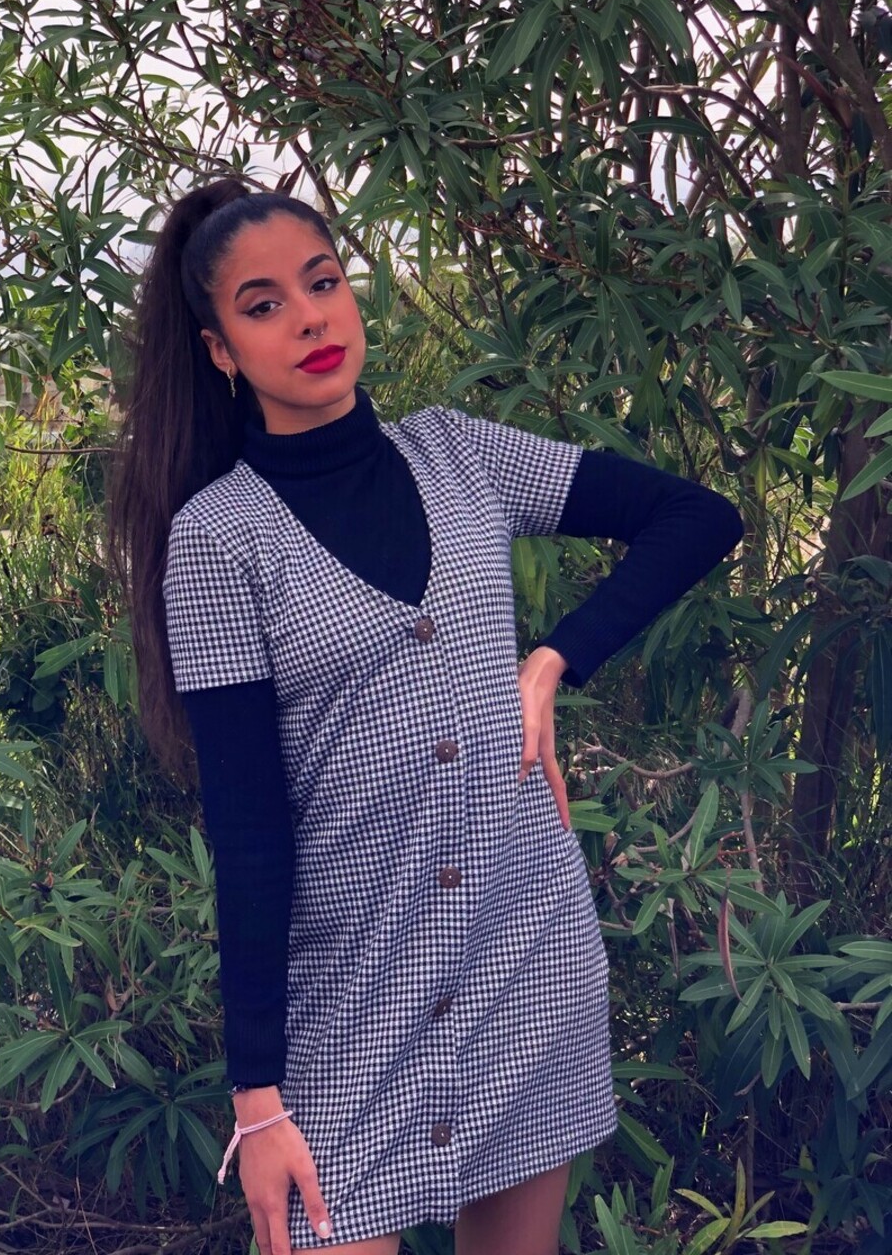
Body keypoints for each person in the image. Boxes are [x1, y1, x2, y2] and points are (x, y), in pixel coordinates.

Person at [107, 179, 744, 1255]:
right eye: (264, 305)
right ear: (220, 350)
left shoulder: (460, 455)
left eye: (323, 282)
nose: (309, 318)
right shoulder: (218, 541)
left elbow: (696, 516)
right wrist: (257, 1099)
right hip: (349, 997)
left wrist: (552, 660)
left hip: (523, 950)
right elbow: (250, 833)